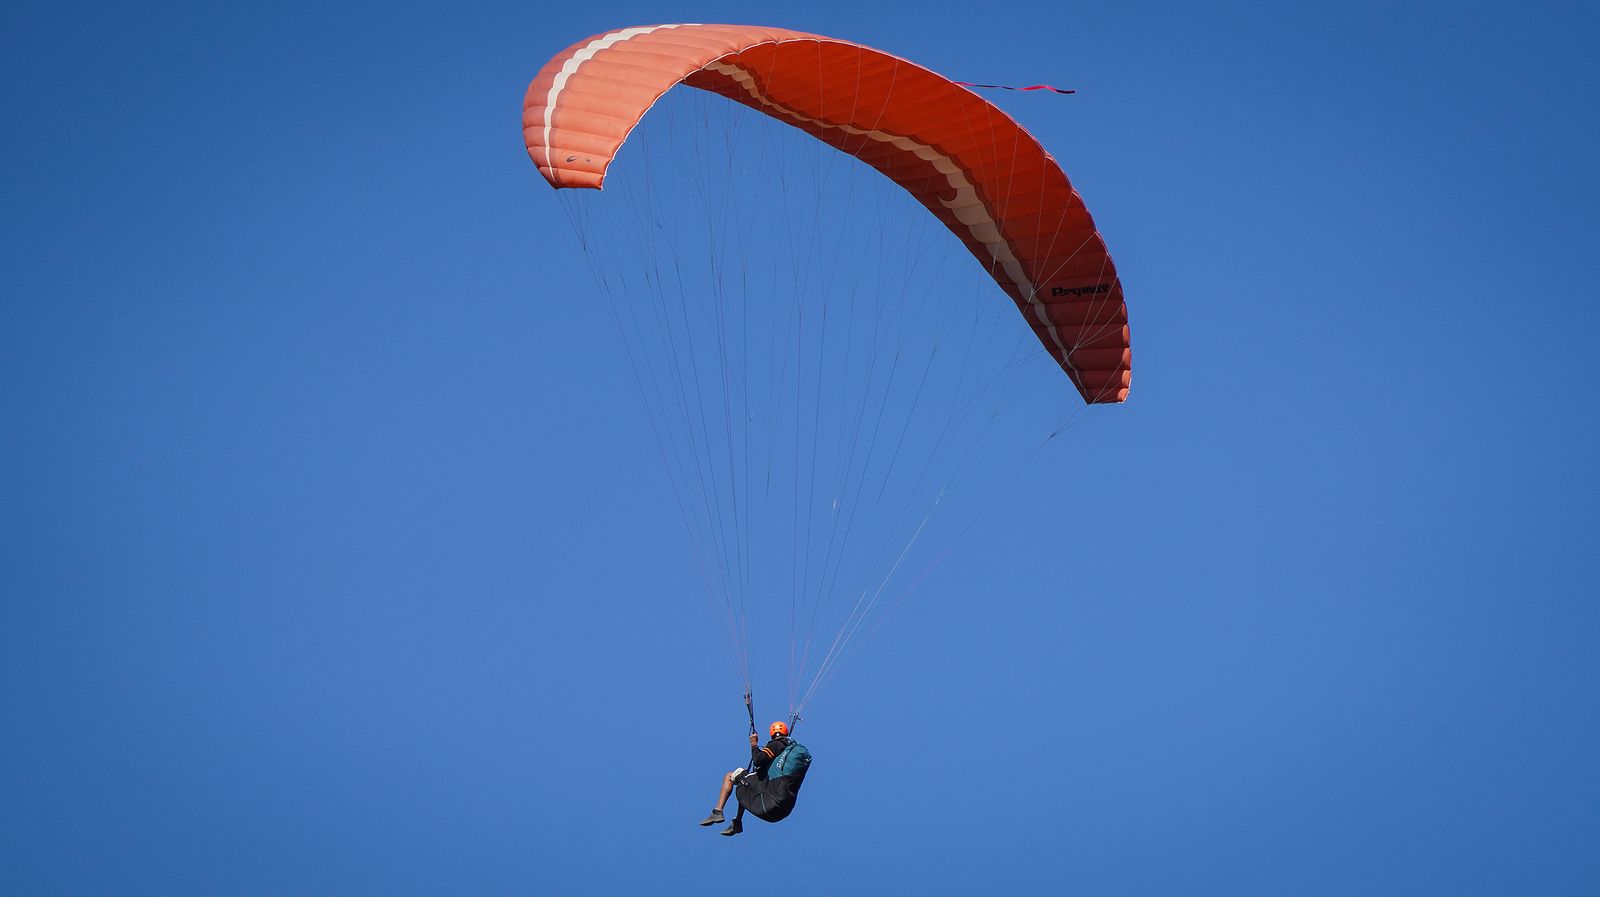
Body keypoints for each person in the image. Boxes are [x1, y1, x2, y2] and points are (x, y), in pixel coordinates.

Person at [699, 721, 809, 836]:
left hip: (770, 802)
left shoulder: (776, 744)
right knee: (747, 784)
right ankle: (737, 822)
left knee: (730, 776)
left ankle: (718, 811)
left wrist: (754, 745)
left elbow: (758, 760)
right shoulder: (785, 754)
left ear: (772, 734)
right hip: (784, 809)